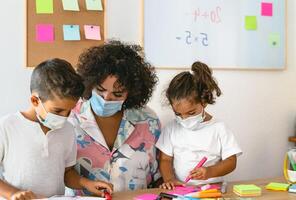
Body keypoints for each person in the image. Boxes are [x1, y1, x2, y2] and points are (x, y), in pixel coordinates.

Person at [0, 58, 112, 200]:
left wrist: (86, 183)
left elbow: (67, 172)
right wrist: (12, 193)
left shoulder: (68, 130)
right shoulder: (7, 126)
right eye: (58, 111)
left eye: (69, 111)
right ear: (35, 101)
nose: (64, 117)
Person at [69, 40, 161, 193]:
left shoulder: (148, 120)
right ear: (89, 84)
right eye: (100, 90)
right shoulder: (70, 117)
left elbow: (157, 175)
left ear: (132, 93)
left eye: (117, 94)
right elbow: (59, 171)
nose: (106, 98)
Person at [156, 61, 242, 189]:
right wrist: (169, 179)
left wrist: (209, 172)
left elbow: (231, 162)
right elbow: (165, 160)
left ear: (204, 101)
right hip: (182, 189)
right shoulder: (171, 128)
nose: (184, 119)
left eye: (191, 113)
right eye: (178, 114)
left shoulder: (219, 128)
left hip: (212, 189)